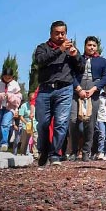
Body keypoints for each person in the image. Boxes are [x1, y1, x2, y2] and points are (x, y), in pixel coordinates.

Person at [34, 20, 83, 166]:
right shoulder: (42, 48)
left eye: (63, 33)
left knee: (61, 123)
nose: (60, 36)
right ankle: (43, 150)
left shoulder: (70, 48)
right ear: (51, 34)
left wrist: (75, 57)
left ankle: (55, 154)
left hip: (64, 89)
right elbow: (40, 61)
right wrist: (60, 50)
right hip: (45, 89)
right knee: (43, 123)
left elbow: (79, 69)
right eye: (57, 33)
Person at [69, 36, 106, 162]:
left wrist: (94, 89)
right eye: (89, 45)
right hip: (77, 93)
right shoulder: (77, 59)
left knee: (90, 124)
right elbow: (71, 74)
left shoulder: (103, 61)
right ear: (85, 46)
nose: (91, 47)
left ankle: (86, 151)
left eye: (94, 45)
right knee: (73, 120)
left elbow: (105, 78)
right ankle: (74, 151)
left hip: (94, 93)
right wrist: (79, 89)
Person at [0, 67, 22, 152]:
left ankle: (4, 143)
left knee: (5, 124)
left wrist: (10, 96)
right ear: (2, 76)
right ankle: (1, 144)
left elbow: (18, 99)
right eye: (5, 77)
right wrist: (0, 95)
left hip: (9, 108)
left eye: (9, 77)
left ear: (12, 77)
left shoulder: (15, 85)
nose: (7, 79)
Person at [94, 87, 106, 160]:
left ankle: (105, 152)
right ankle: (100, 152)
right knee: (102, 135)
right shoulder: (99, 94)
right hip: (100, 118)